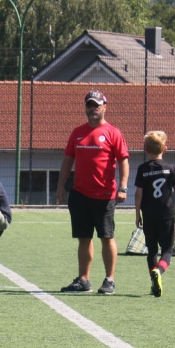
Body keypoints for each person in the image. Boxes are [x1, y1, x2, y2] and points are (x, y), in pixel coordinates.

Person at [56, 90, 130, 295]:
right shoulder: (77, 132)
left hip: (104, 196)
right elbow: (68, 160)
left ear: (105, 106)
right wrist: (61, 185)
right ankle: (83, 279)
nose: (93, 109)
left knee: (107, 237)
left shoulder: (113, 133)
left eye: (96, 105)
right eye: (89, 105)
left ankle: (109, 280)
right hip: (79, 194)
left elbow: (123, 161)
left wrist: (123, 187)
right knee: (83, 238)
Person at [134, 131, 175, 298]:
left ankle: (153, 277)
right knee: (167, 249)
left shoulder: (143, 169)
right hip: (167, 215)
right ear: (165, 149)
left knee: (151, 251)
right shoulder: (170, 168)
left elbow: (138, 193)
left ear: (145, 149)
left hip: (149, 215)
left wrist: (137, 214)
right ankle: (159, 270)